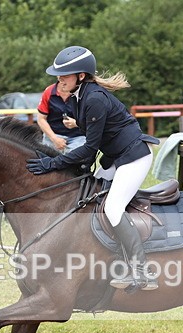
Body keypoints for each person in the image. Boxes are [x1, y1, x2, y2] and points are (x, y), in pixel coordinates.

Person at [26, 46, 159, 291]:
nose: (59, 79)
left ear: (81, 76)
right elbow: (92, 135)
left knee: (113, 207)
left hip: (134, 158)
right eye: (59, 74)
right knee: (87, 199)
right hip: (114, 157)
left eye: (64, 74)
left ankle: (142, 270)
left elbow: (89, 148)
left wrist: (53, 163)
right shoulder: (80, 96)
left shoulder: (94, 98)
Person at [36, 81, 86, 153]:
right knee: (44, 160)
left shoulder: (83, 92)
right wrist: (54, 139)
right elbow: (41, 119)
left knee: (75, 159)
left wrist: (76, 123)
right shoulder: (49, 91)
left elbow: (92, 120)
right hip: (52, 135)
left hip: (78, 137)